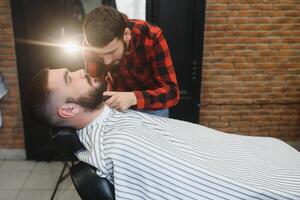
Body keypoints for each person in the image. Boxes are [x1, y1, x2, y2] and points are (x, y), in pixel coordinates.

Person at [26, 68, 300, 199]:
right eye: (69, 79)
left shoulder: (113, 113)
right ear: (68, 110)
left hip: (244, 154)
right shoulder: (120, 145)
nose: (80, 71)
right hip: (262, 180)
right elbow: (214, 185)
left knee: (272, 147)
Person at [82, 6, 180, 117]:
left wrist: (133, 98)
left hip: (153, 107)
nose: (107, 61)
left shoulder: (151, 36)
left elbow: (172, 93)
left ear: (126, 34)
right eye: (100, 54)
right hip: (116, 104)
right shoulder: (89, 45)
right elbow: (95, 85)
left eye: (112, 52)